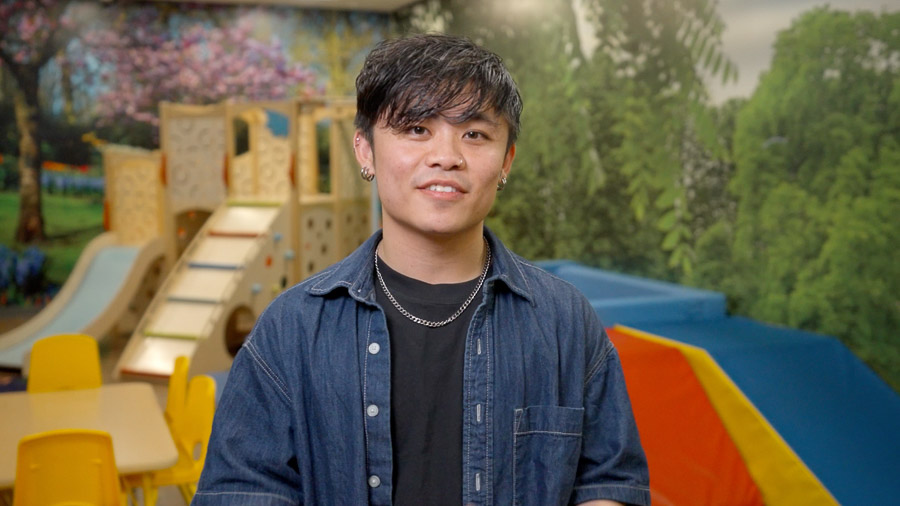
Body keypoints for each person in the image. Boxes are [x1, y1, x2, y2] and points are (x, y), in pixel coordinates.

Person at [193, 33, 649, 506]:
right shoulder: (292, 327)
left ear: (506, 160)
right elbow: (241, 490)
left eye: (475, 134)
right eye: (416, 129)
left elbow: (609, 480)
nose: (446, 156)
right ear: (365, 151)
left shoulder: (564, 319)